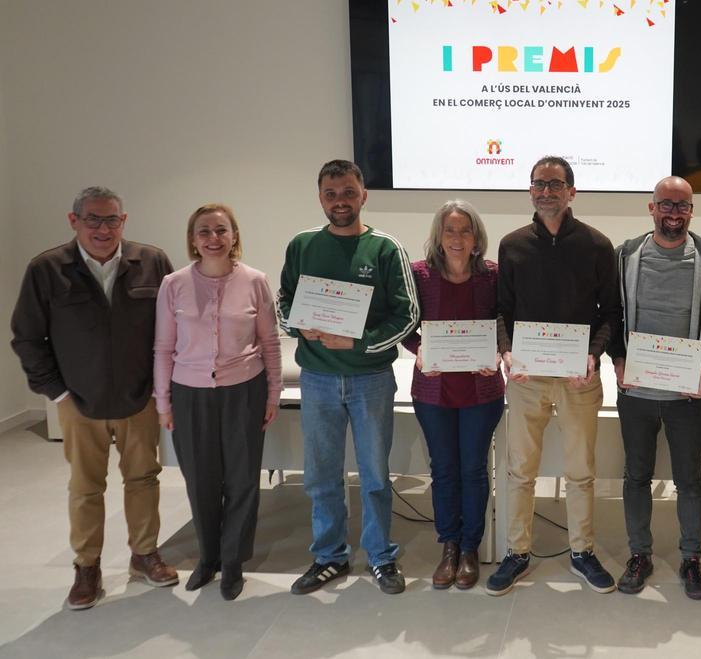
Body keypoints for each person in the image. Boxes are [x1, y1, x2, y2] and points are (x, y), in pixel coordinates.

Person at [11, 186, 178, 610]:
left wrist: (163, 388)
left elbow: (174, 326)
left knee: (143, 478)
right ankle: (87, 566)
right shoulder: (47, 269)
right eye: (93, 220)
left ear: (124, 221)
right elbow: (28, 338)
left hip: (138, 398)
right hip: (78, 402)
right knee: (86, 487)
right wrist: (58, 392)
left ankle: (145, 554)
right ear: (74, 221)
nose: (103, 229)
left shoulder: (152, 262)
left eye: (112, 220)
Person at [277, 159, 420, 596]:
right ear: (321, 198)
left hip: (370, 379)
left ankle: (380, 556)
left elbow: (408, 316)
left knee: (375, 475)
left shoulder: (385, 249)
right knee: (321, 474)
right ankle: (329, 556)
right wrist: (298, 326)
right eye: (330, 194)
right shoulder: (302, 245)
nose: (340, 201)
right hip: (317, 379)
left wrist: (357, 344)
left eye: (348, 192)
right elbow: (283, 302)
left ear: (363, 195)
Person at [487, 155, 622, 596]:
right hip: (527, 378)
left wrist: (593, 354)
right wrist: (505, 349)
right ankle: (517, 552)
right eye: (539, 183)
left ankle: (582, 552)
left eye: (556, 183)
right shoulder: (512, 245)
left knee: (581, 470)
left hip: (577, 378)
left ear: (572, 192)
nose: (547, 191)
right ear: (530, 190)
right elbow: (501, 309)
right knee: (519, 470)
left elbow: (612, 314)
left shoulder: (598, 246)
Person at [608, 176, 701, 600]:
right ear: (651, 207)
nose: (674, 213)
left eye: (682, 206)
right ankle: (639, 555)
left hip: (684, 394)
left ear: (691, 211)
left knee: (690, 480)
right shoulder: (626, 254)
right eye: (666, 205)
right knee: (636, 475)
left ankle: (691, 558)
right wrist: (618, 359)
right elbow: (612, 311)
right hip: (636, 392)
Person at [153, 204, 283, 600]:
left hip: (244, 389)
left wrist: (273, 392)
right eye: (204, 231)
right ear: (193, 239)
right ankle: (207, 557)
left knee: (243, 480)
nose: (213, 238)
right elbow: (162, 347)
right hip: (189, 394)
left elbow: (270, 342)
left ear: (234, 236)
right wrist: (164, 401)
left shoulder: (255, 281)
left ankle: (232, 562)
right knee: (201, 479)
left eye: (221, 230)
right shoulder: (173, 284)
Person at [401, 200, 504, 591]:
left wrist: (497, 351)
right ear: (438, 236)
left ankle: (470, 548)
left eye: (465, 230)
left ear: (476, 237)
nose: (457, 238)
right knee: (443, 470)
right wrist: (419, 349)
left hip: (481, 389)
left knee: (475, 470)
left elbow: (505, 320)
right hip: (433, 391)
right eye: (450, 230)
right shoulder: (418, 275)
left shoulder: (493, 275)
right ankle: (449, 545)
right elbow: (403, 322)